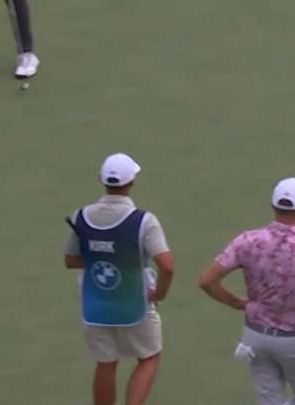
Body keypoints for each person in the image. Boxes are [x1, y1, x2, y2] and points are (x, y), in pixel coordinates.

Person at [198, 178, 295, 405]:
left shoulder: (248, 241)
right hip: (294, 341)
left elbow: (206, 281)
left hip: (255, 338)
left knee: (269, 401)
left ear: (273, 206)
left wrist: (238, 303)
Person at [64, 154, 174, 405]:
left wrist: (103, 258)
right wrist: (159, 295)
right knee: (148, 357)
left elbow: (70, 260)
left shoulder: (81, 216)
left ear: (101, 181)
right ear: (132, 182)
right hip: (135, 302)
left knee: (105, 362)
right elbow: (167, 265)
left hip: (95, 303)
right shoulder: (144, 221)